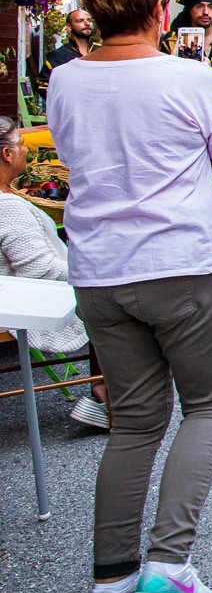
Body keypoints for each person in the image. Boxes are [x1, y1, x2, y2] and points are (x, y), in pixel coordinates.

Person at [49, 0, 212, 593]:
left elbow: (77, 159)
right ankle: (168, 563)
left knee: (133, 422)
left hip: (100, 269)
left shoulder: (65, 80)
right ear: (161, 10)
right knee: (211, 405)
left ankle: (111, 581)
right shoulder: (189, 77)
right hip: (179, 262)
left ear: (94, 12)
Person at [0, 115, 111, 429]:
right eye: (21, 145)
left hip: (14, 286)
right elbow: (39, 269)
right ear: (7, 155)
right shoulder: (7, 207)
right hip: (19, 296)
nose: (25, 151)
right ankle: (108, 397)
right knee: (111, 300)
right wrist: (92, 272)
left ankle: (105, 391)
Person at [37, 7, 97, 108]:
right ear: (69, 27)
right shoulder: (58, 56)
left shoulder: (102, 51)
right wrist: (63, 104)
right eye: (80, 21)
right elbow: (42, 85)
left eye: (89, 20)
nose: (87, 23)